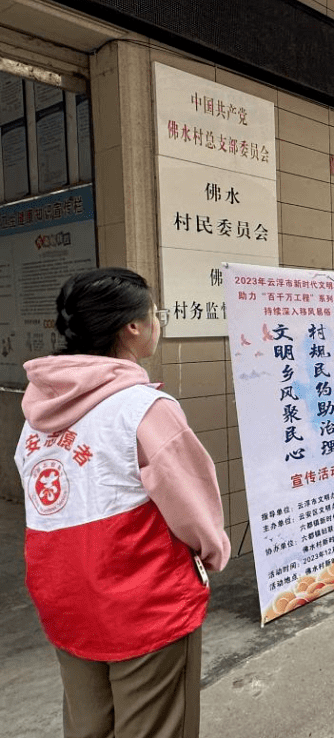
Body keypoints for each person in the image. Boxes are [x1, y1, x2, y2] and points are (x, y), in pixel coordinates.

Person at [13, 267, 231, 738]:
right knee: (153, 725)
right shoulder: (143, 408)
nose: (158, 322)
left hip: (60, 593)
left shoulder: (36, 414)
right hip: (141, 599)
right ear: (132, 327)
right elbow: (192, 502)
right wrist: (213, 550)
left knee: (88, 723)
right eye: (156, 314)